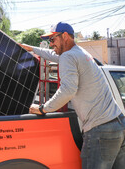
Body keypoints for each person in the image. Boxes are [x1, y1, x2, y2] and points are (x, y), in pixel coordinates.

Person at [19, 22, 125, 168]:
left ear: (65, 36)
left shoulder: (68, 57)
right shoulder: (79, 52)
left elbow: (68, 90)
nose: (50, 44)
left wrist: (43, 109)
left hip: (100, 130)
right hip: (118, 124)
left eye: (52, 40)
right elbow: (53, 55)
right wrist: (32, 49)